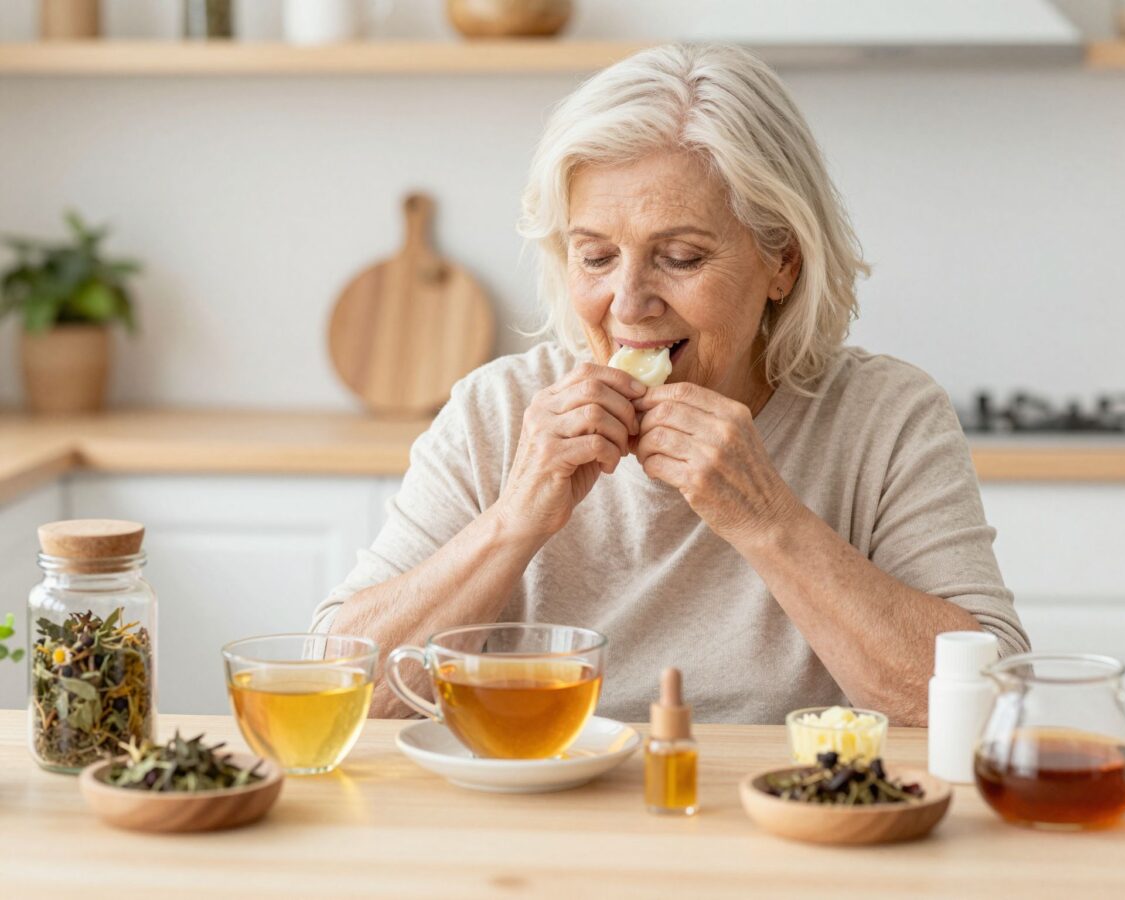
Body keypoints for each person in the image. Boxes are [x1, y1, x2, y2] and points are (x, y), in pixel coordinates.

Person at [312, 43, 1029, 725]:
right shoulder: (495, 413)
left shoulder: (887, 419)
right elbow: (332, 691)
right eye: (595, 257)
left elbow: (993, 701)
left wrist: (767, 519)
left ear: (783, 263)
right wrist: (513, 522)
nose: (628, 303)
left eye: (680, 257)